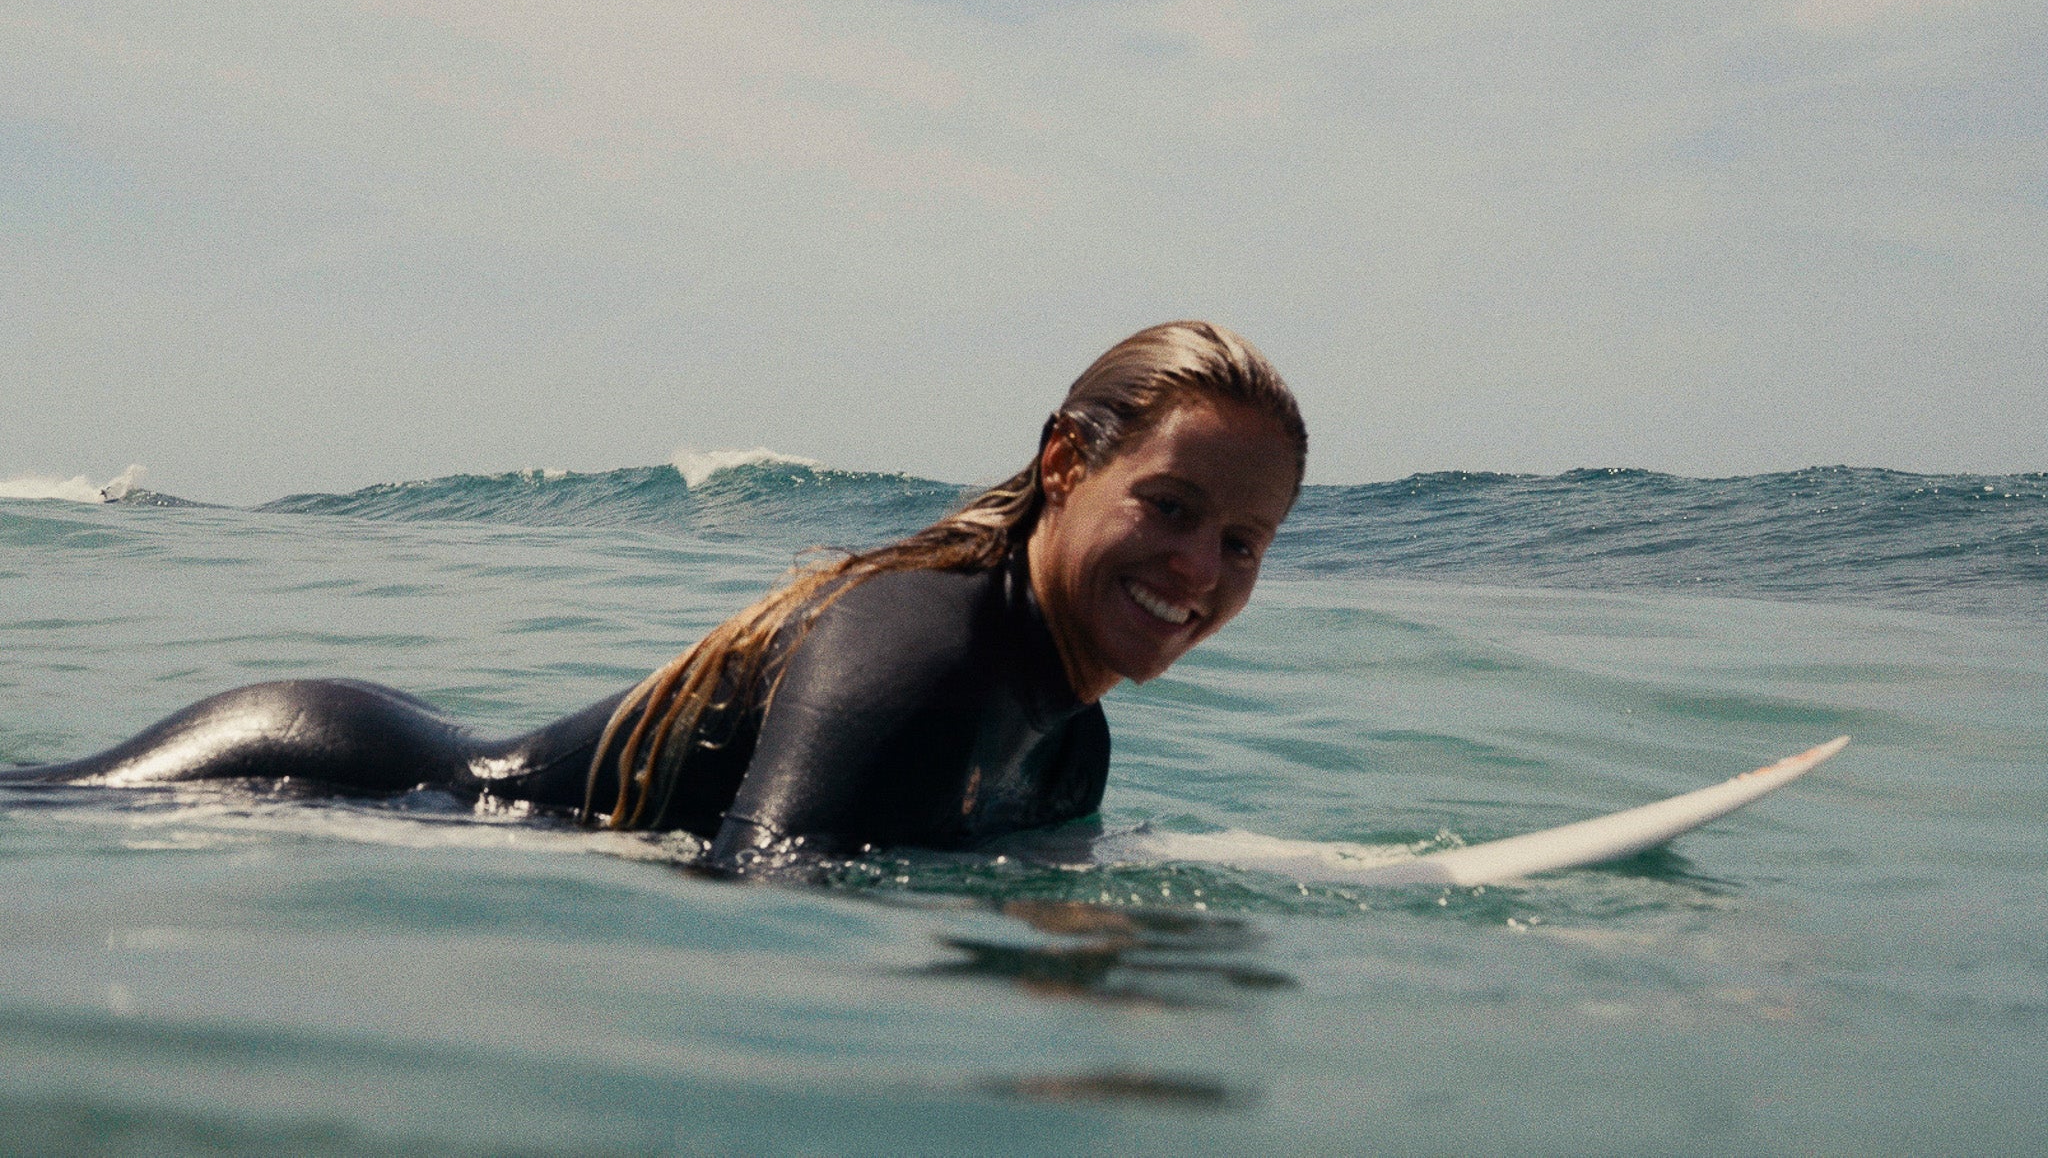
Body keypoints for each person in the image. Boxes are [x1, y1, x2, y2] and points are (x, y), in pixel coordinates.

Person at [3, 322, 1307, 873]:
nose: (1200, 570)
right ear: (1067, 463)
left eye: (1245, 542)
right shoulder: (926, 646)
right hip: (330, 781)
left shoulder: (1069, 735)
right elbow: (759, 883)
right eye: (1174, 506)